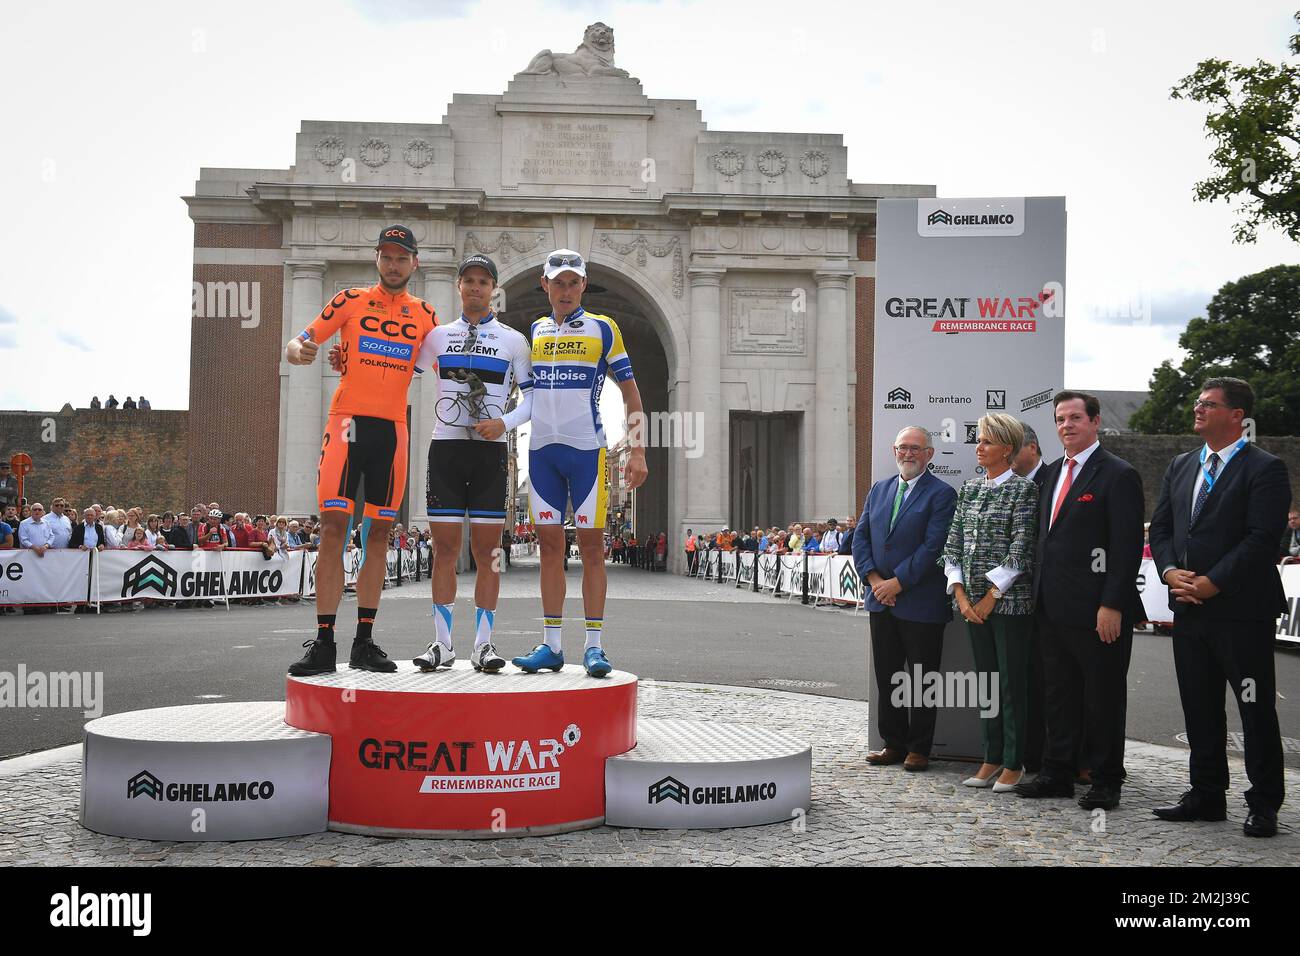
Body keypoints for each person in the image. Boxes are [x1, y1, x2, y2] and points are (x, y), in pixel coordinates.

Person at [342, 253, 531, 675]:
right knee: (445, 549)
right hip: (445, 449)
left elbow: (532, 398)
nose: (476, 288)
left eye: (484, 281)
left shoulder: (514, 340)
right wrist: (347, 362)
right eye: (469, 281)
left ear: (493, 289)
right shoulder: (436, 337)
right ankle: (443, 644)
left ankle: (483, 644)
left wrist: (505, 422)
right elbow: (392, 366)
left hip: (489, 452)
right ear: (459, 287)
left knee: (489, 552)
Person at [284, 224, 438, 676]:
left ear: (415, 263)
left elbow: (445, 363)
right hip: (347, 423)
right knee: (333, 530)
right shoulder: (350, 300)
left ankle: (364, 642)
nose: (393, 264)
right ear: (377, 259)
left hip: (393, 429)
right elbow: (302, 339)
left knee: (378, 535)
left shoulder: (425, 314)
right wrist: (300, 352)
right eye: (387, 256)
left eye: (402, 257)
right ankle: (325, 641)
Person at [1148, 377, 1290, 838]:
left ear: (1237, 416)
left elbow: (1263, 538)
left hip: (1241, 611)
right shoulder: (1181, 464)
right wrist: (1170, 572)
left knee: (1254, 708)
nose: (1198, 409)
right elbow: (1162, 529)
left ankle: (1264, 802)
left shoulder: (1265, 468)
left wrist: (1214, 583)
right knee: (1200, 706)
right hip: (1188, 607)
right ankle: (1206, 794)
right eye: (1197, 402)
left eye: (1209, 404)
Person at [511, 249, 647, 678]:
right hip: (542, 453)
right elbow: (522, 390)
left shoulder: (604, 328)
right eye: (558, 282)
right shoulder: (534, 329)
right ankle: (551, 645)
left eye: (574, 282)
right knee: (550, 548)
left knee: (592, 549)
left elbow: (630, 392)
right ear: (544, 285)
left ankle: (594, 646)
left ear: (584, 285)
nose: (566, 290)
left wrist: (638, 450)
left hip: (588, 451)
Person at [1014, 392, 1144, 811]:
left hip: (1097, 612)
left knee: (1103, 698)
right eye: (1059, 419)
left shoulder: (1118, 474)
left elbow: (1124, 548)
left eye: (1074, 418)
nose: (1066, 425)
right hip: (1051, 608)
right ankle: (1057, 773)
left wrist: (1113, 604)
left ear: (1095, 422)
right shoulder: (1051, 473)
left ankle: (1107, 781)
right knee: (1059, 695)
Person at [941, 414, 1039, 793]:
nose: (978, 447)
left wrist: (990, 597)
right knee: (987, 684)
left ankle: (1014, 762)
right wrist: (963, 596)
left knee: (1011, 684)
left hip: (1009, 606)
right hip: (969, 606)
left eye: (986, 442)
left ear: (1008, 450)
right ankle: (991, 757)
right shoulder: (968, 489)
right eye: (978, 441)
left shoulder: (1023, 491)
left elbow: (1022, 548)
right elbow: (953, 545)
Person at [855, 426, 958, 772]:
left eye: (916, 448)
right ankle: (893, 744)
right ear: (894, 450)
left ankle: (919, 747)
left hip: (921, 603)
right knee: (888, 676)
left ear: (929, 454)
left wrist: (897, 583)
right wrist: (874, 580)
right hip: (880, 600)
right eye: (903, 448)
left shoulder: (942, 495)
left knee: (923, 678)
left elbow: (934, 547)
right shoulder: (879, 490)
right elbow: (861, 537)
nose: (908, 454)